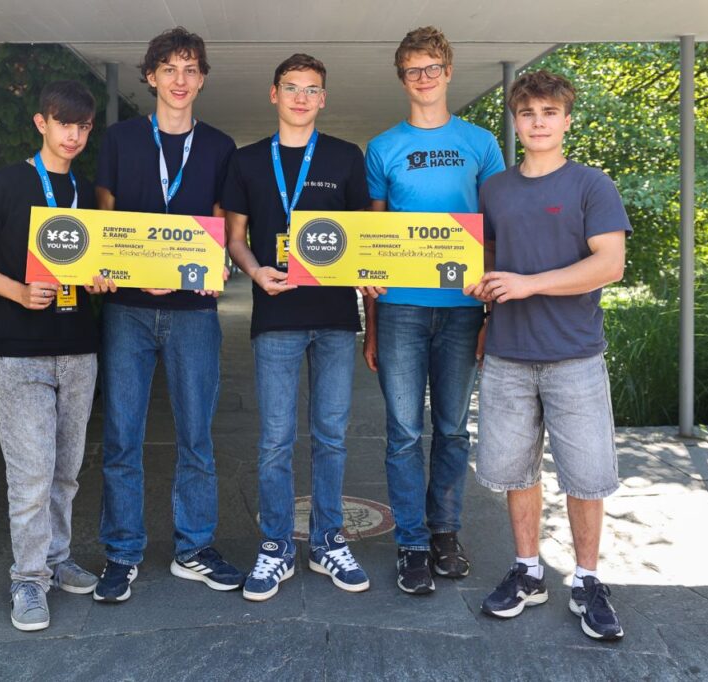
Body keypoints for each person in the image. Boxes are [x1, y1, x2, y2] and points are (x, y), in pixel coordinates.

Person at [466, 69, 630, 641]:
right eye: (528, 113)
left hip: (574, 354)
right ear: (515, 121)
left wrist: (529, 284)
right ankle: (528, 570)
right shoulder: (495, 190)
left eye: (549, 113)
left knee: (586, 476)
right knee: (517, 472)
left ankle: (587, 580)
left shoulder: (592, 185)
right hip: (508, 354)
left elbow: (610, 265)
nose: (538, 122)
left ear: (566, 120)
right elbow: (484, 258)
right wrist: (479, 282)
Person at [0, 81, 114, 631]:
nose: (74, 135)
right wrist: (17, 291)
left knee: (66, 472)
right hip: (21, 351)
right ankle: (27, 579)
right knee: (31, 475)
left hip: (79, 349)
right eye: (64, 123)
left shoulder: (87, 192)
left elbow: (95, 264)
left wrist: (101, 280)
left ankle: (56, 558)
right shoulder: (6, 183)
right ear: (41, 123)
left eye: (83, 126)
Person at [93, 27, 243, 603]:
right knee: (121, 438)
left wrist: (196, 271)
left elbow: (222, 224)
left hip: (193, 310)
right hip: (127, 310)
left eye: (190, 70)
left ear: (201, 80)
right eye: (169, 69)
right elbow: (105, 220)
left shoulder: (220, 146)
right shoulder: (120, 139)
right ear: (151, 76)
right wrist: (119, 269)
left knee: (196, 436)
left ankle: (194, 548)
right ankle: (122, 552)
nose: (180, 80)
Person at [224, 53, 374, 601]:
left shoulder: (345, 156)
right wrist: (254, 271)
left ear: (323, 98)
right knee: (275, 440)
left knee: (331, 436)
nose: (302, 97)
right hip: (276, 316)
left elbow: (364, 234)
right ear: (274, 94)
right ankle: (276, 545)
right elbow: (234, 237)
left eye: (312, 89)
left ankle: (328, 540)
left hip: (334, 317)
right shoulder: (246, 161)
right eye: (292, 87)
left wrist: (371, 277)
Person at [364, 26, 504, 594]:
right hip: (400, 308)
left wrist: (493, 315)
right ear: (402, 79)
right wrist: (370, 326)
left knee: (451, 429)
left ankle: (445, 532)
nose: (423, 78)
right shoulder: (383, 147)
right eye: (412, 70)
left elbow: (497, 232)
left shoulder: (481, 143)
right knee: (402, 432)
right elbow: (372, 241)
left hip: (464, 308)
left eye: (432, 68)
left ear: (448, 73)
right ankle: (411, 542)